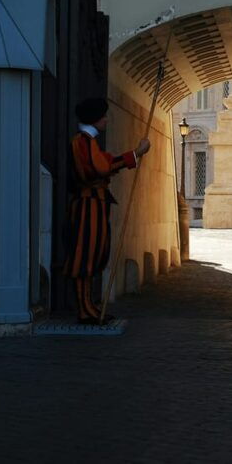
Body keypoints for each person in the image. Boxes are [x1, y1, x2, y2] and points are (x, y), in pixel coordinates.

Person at [63, 98, 151, 324]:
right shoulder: (83, 141)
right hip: (87, 206)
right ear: (95, 118)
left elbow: (104, 162)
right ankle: (84, 309)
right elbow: (100, 168)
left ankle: (89, 306)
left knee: (95, 255)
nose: (106, 119)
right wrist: (136, 154)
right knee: (85, 257)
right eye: (103, 116)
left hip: (95, 204)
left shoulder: (89, 141)